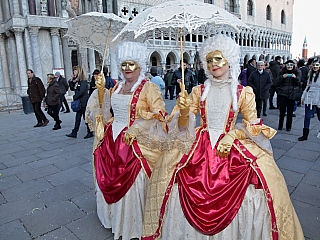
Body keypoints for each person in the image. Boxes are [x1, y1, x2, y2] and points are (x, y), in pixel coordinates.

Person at [142, 35, 304, 240]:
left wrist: (232, 135)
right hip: (199, 145)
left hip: (232, 146)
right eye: (209, 60)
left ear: (228, 59)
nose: (213, 64)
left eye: (217, 58)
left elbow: (253, 126)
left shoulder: (243, 93)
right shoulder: (197, 91)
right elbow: (181, 130)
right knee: (172, 174)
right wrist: (183, 112)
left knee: (265, 181)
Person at [85, 41, 167, 240]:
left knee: (135, 181)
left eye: (131, 64)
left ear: (139, 65)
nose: (127, 68)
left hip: (136, 141)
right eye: (123, 64)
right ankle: (115, 219)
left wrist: (137, 127)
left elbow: (159, 114)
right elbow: (106, 112)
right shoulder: (116, 87)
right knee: (107, 172)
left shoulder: (149, 88)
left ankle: (133, 224)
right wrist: (102, 93)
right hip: (112, 138)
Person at [66, 66, 93, 139]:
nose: (74, 72)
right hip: (79, 103)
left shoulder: (83, 81)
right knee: (77, 118)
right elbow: (72, 88)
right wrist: (71, 80)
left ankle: (90, 131)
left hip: (83, 102)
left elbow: (82, 91)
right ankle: (74, 132)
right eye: (73, 71)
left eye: (75, 71)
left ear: (79, 71)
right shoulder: (76, 81)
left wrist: (75, 97)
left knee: (85, 118)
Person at [273, 60, 301, 131]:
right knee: (282, 111)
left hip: (292, 94)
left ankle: (288, 126)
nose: (289, 67)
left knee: (290, 112)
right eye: (288, 65)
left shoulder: (297, 72)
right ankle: (280, 125)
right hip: (283, 93)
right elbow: (276, 82)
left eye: (291, 65)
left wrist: (295, 78)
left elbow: (299, 83)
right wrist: (282, 77)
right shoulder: (281, 72)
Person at [298, 60, 320, 141]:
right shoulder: (310, 74)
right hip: (310, 98)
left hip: (318, 98)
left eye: (317, 66)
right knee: (307, 117)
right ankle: (305, 135)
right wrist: (302, 98)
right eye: (314, 66)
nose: (315, 68)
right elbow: (307, 86)